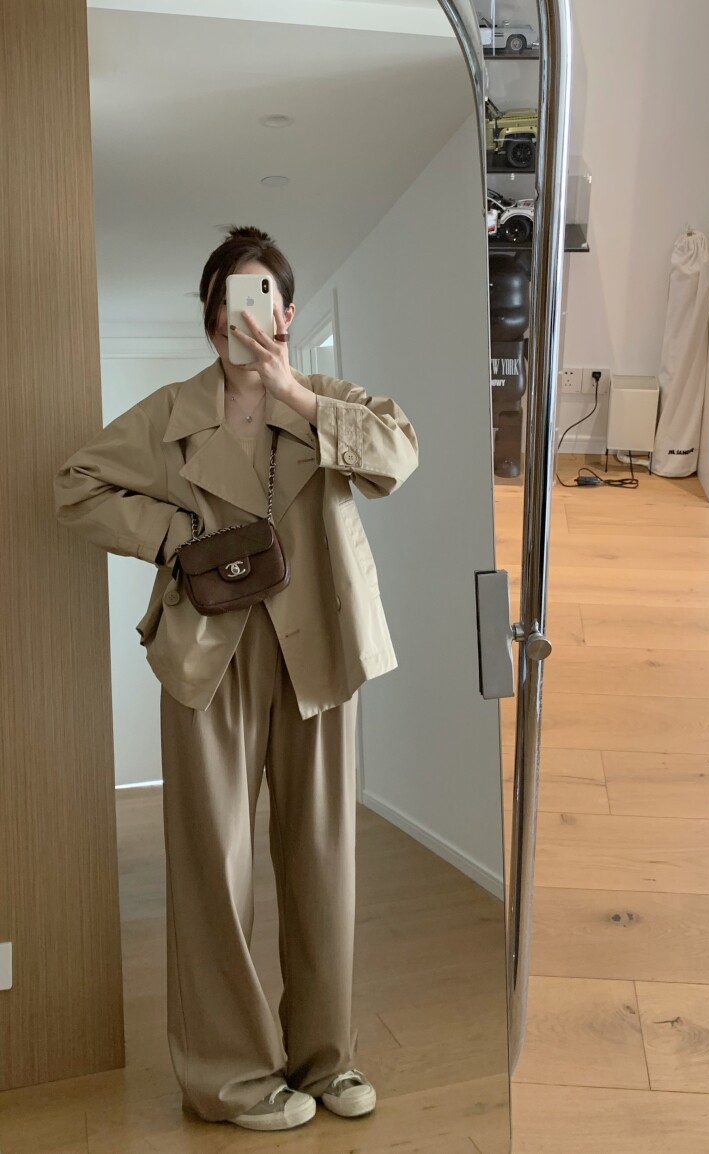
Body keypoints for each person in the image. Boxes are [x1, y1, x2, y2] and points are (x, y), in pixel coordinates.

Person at [54, 226, 419, 1132]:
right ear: (211, 315)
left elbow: (398, 457)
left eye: (262, 296)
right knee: (213, 867)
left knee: (322, 856)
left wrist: (295, 392)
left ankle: (326, 1059)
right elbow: (77, 486)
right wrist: (176, 539)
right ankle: (230, 1079)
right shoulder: (171, 414)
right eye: (229, 296)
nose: (244, 313)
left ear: (285, 314)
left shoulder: (326, 399)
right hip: (209, 653)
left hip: (317, 649)